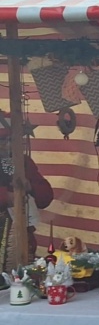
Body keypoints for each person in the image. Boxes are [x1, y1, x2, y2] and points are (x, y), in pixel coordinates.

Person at [0, 113, 54, 266]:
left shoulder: (24, 162)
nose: (6, 144)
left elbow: (46, 196)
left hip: (21, 237)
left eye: (9, 140)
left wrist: (30, 186)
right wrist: (6, 196)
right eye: (3, 140)